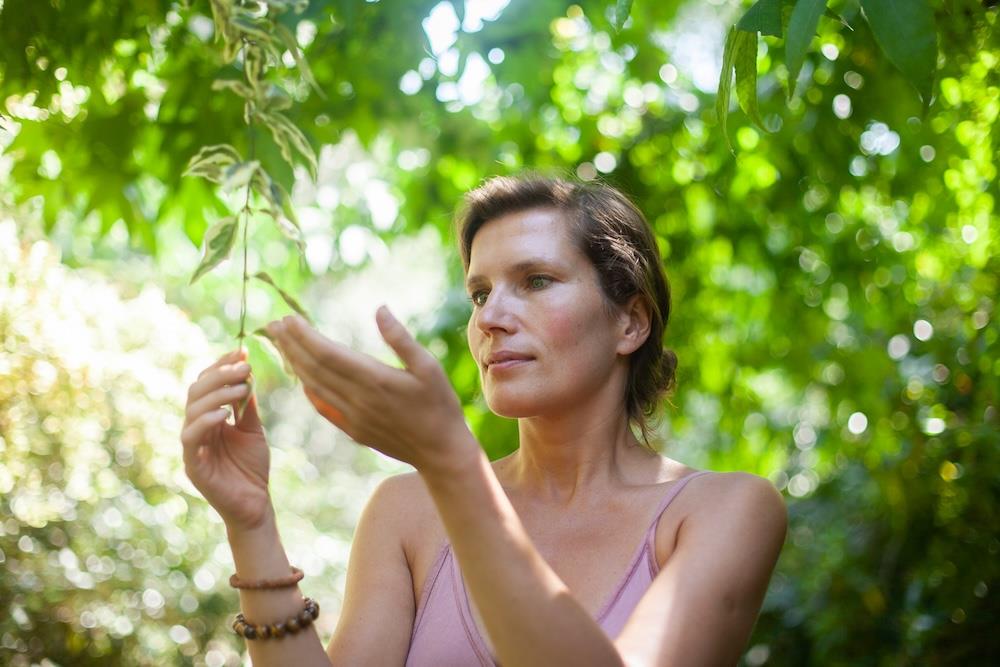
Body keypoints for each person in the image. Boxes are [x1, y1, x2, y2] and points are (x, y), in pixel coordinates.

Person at [180, 175, 787, 666]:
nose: (491, 316)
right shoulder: (407, 513)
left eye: (536, 281)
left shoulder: (725, 510)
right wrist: (251, 521)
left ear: (630, 322)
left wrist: (450, 463)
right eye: (479, 293)